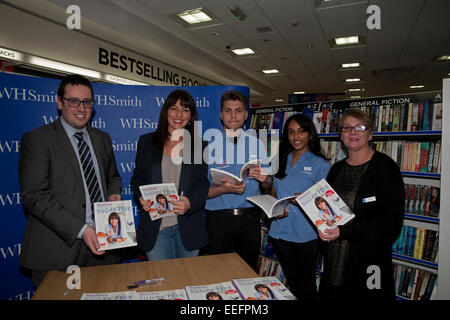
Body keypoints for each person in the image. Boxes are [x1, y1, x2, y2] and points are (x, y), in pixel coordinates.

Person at [18, 74, 122, 289]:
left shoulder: (102, 138)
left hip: (103, 247)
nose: (81, 108)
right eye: (73, 101)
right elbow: (34, 196)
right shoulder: (38, 139)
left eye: (87, 102)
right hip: (57, 251)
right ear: (59, 103)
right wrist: (82, 229)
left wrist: (113, 195)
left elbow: (113, 176)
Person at [318, 108, 404, 300]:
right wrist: (321, 226)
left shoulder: (385, 168)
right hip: (335, 261)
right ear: (341, 135)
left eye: (360, 127)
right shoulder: (337, 169)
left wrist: (344, 231)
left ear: (371, 134)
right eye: (347, 128)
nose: (353, 132)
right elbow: (326, 210)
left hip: (370, 264)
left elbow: (390, 223)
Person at [131, 89, 209, 260]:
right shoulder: (147, 142)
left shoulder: (198, 146)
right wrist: (141, 197)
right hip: (156, 229)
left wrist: (190, 203)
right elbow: (138, 178)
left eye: (185, 109)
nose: (179, 114)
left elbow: (202, 183)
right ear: (166, 111)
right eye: (174, 108)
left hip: (188, 228)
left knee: (189, 281)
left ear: (191, 116)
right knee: (163, 282)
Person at [261, 113, 330, 300]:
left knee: (306, 285)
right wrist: (270, 195)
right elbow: (273, 190)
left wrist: (306, 199)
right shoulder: (279, 159)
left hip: (306, 234)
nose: (296, 136)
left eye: (301, 131)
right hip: (280, 231)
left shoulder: (320, 164)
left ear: (310, 134)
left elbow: (326, 203)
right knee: (292, 281)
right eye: (291, 132)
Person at [204, 90, 268, 271]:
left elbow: (268, 184)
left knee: (248, 273)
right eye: (228, 110)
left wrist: (265, 179)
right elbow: (201, 189)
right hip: (218, 220)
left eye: (238, 110)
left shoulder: (257, 144)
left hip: (249, 219)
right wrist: (223, 189)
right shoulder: (208, 145)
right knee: (218, 273)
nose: (233, 115)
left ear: (246, 115)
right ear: (221, 114)